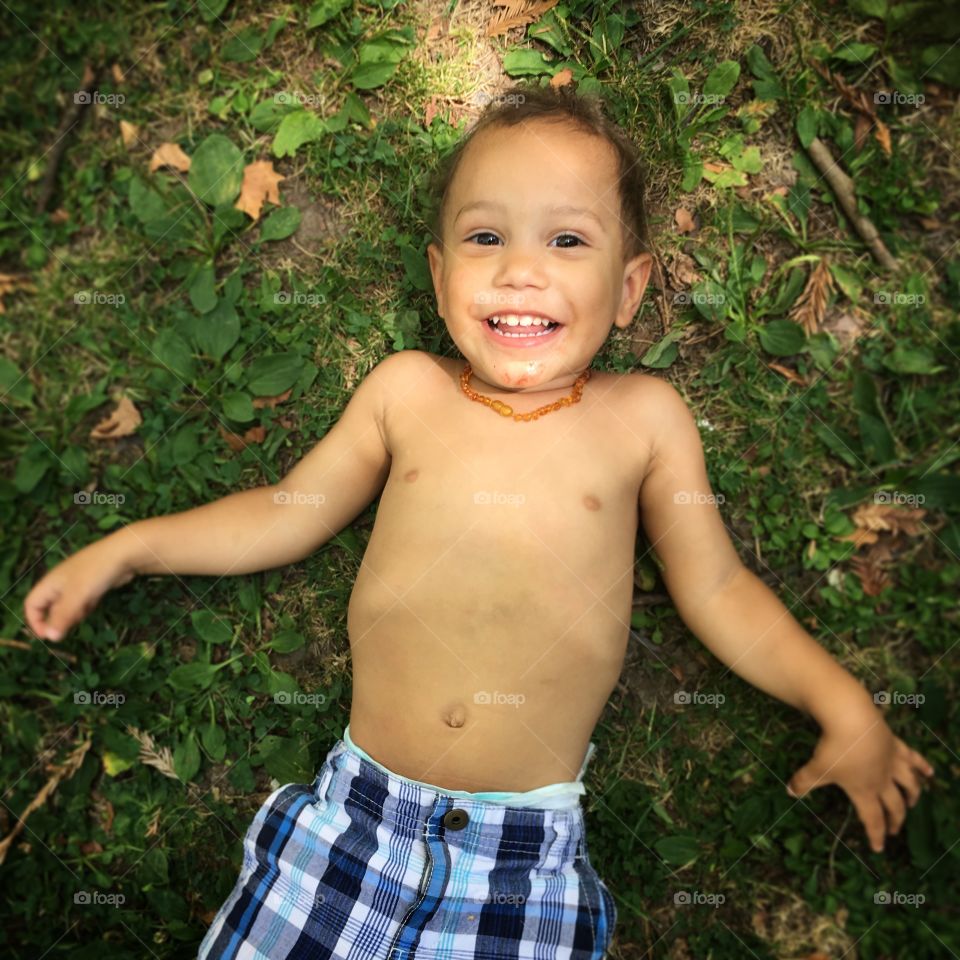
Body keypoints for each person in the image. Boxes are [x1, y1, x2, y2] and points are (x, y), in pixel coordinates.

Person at [23, 83, 935, 960]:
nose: (520, 269)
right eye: (486, 236)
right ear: (439, 274)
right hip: (349, 828)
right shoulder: (406, 392)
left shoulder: (644, 419)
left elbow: (718, 586)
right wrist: (131, 548)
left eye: (567, 240)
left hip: (522, 865)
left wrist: (842, 704)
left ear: (629, 288)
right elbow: (285, 513)